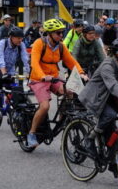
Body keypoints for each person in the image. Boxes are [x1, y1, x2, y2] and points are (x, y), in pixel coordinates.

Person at [26, 19, 86, 148]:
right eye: (58, 33)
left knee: (69, 92)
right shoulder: (39, 43)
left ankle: (63, 122)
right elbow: (34, 63)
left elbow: (71, 61)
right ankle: (32, 133)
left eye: (62, 33)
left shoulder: (60, 46)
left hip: (53, 78)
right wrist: (42, 76)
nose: (61, 35)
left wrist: (81, 72)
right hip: (38, 79)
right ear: (50, 33)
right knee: (45, 106)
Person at [0, 26, 29, 99]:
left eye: (21, 38)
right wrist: (4, 73)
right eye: (18, 38)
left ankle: (10, 104)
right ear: (11, 37)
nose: (20, 40)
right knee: (0, 79)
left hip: (9, 68)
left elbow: (25, 58)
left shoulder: (21, 45)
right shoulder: (3, 43)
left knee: (13, 88)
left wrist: (30, 72)